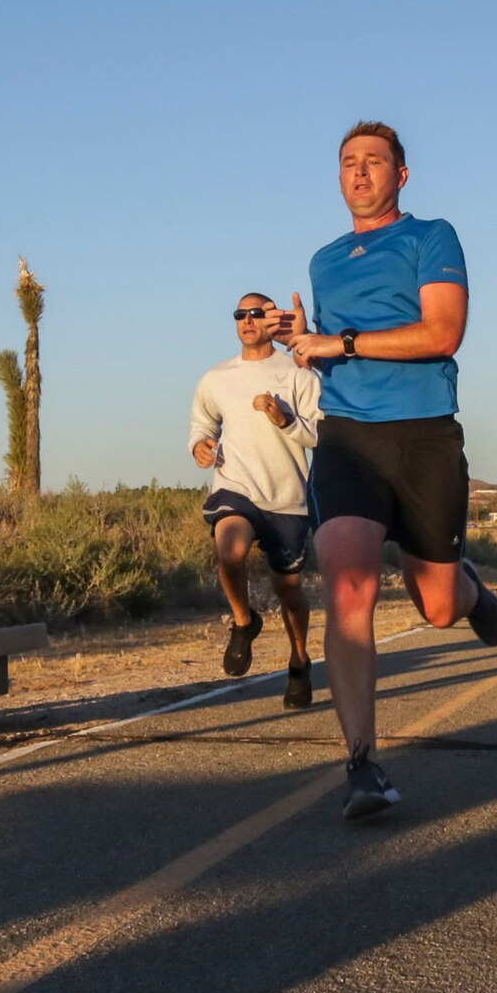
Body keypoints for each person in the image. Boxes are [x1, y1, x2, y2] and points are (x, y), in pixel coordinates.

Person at [279, 121, 497, 820]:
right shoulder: (322, 261)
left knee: (435, 604)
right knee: (348, 579)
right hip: (347, 438)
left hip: (424, 436)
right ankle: (362, 764)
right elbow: (328, 348)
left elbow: (442, 332)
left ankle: (467, 590)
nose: (359, 171)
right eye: (348, 162)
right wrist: (306, 348)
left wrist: (340, 339)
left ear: (400, 174)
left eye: (374, 161)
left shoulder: (431, 237)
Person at [189, 292, 321, 708]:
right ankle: (244, 623)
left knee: (289, 590)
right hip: (236, 485)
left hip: (286, 499)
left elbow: (320, 434)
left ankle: (299, 658)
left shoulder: (297, 373)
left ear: (273, 320)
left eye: (256, 313)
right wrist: (200, 445)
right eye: (239, 314)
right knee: (230, 550)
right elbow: (202, 422)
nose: (247, 319)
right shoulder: (216, 377)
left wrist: (285, 420)